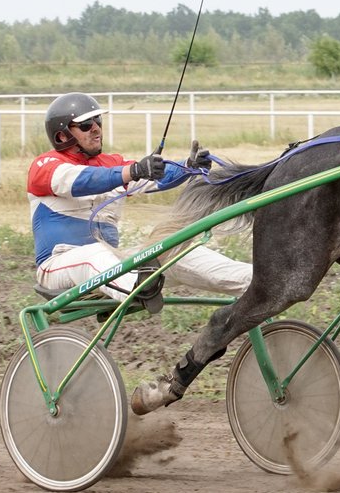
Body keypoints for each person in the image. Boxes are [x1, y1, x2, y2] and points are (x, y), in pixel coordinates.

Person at [28, 92, 253, 404]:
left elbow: (155, 177)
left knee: (174, 247)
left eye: (98, 121)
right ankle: (139, 285)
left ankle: (252, 280)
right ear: (63, 134)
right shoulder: (46, 166)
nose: (96, 128)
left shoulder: (112, 164)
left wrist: (187, 168)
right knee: (96, 255)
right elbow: (86, 180)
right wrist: (131, 171)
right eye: (86, 125)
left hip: (112, 267)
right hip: (60, 265)